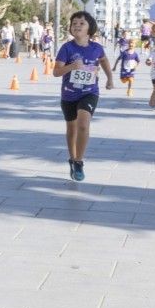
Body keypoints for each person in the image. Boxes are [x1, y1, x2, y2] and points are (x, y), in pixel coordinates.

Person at [53, 11, 114, 182]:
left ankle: (79, 161)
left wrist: (109, 78)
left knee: (83, 124)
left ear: (90, 29)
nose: (77, 26)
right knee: (72, 128)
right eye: (74, 23)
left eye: (82, 23)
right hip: (69, 95)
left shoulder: (96, 48)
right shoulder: (67, 48)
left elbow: (103, 61)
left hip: (89, 93)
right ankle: (72, 158)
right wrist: (72, 66)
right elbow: (56, 72)